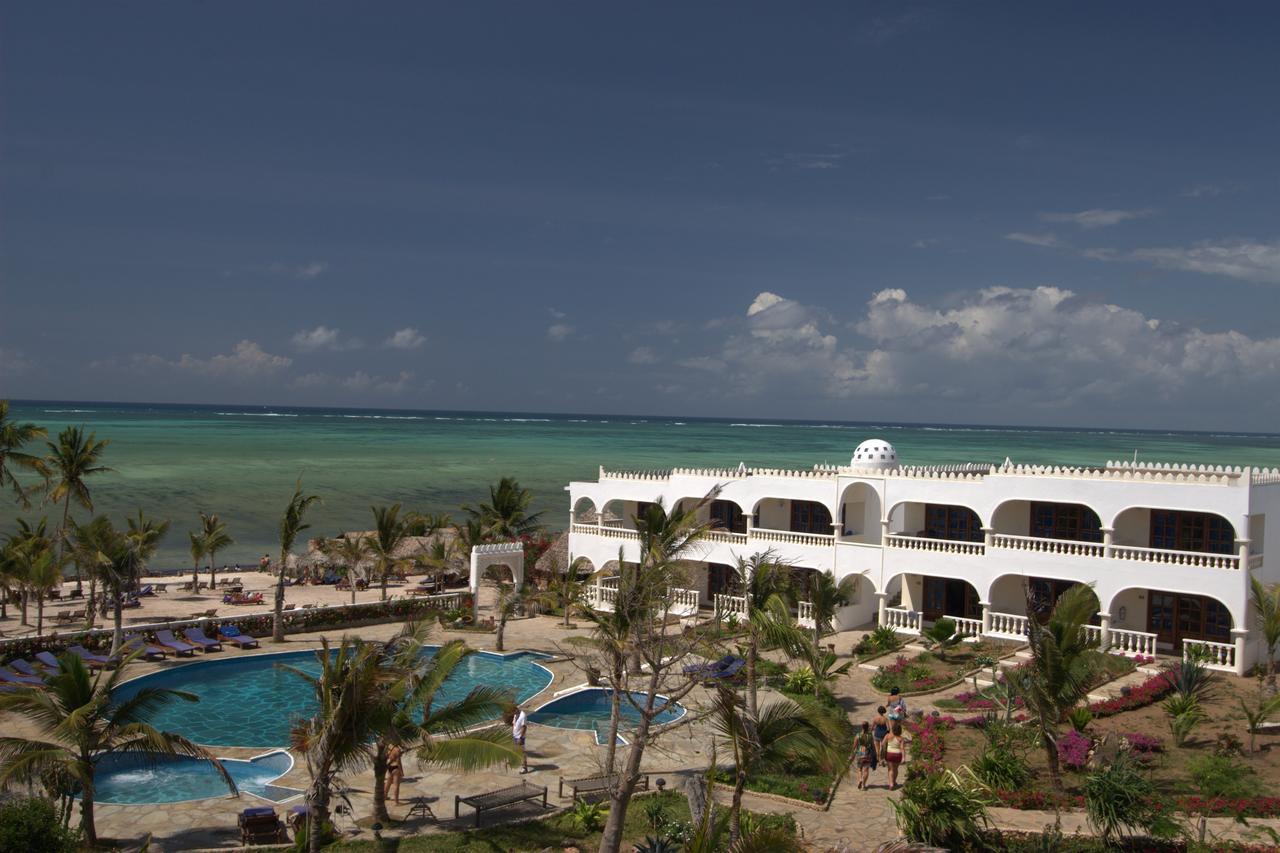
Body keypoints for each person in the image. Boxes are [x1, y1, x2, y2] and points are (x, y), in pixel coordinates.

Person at [882, 721, 906, 791]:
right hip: (898, 755)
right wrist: (903, 758)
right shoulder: (901, 738)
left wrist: (882, 755)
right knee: (895, 769)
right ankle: (894, 781)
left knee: (890, 770)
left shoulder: (887, 736)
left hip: (889, 754)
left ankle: (891, 783)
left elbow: (883, 744)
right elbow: (902, 748)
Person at [853, 721, 876, 790]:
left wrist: (853, 753)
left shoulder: (858, 735)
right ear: (868, 727)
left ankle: (860, 779)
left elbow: (854, 746)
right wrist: (875, 753)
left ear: (862, 727)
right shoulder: (870, 735)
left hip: (860, 753)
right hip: (868, 753)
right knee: (866, 770)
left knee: (860, 769)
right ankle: (863, 785)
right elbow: (873, 745)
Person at [871, 705, 890, 772]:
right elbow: (888, 729)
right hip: (883, 735)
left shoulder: (875, 718)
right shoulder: (885, 719)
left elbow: (872, 727)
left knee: (877, 749)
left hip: (876, 734)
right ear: (884, 711)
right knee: (883, 748)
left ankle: (878, 760)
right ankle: (882, 760)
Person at [511, 704, 529, 773]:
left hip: (519, 737)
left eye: (512, 712)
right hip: (515, 736)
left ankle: (525, 768)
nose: (512, 713)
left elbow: (524, 727)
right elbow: (514, 725)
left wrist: (521, 738)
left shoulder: (522, 716)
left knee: (522, 753)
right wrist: (512, 734)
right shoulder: (515, 715)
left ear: (516, 709)